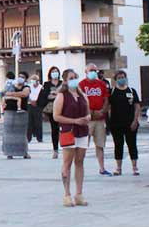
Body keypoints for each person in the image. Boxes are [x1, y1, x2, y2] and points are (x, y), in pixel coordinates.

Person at [53, 68, 90, 207]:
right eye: (71, 78)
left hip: (82, 131)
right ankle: (67, 194)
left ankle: (79, 193)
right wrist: (74, 121)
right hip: (69, 131)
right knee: (67, 162)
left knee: (80, 161)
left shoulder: (82, 96)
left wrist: (87, 118)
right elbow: (56, 116)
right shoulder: (62, 96)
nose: (74, 79)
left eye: (75, 77)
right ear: (65, 80)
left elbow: (88, 112)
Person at [78, 63, 112, 176]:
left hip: (100, 119)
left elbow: (106, 99)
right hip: (87, 119)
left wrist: (102, 111)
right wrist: (91, 113)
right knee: (83, 144)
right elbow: (80, 101)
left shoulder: (101, 84)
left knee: (100, 144)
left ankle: (102, 168)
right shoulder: (81, 85)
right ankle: (79, 168)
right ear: (86, 71)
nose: (93, 72)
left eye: (94, 70)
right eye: (91, 70)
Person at [107, 70, 141, 176]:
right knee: (118, 145)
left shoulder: (132, 91)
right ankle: (118, 168)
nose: (122, 79)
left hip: (130, 123)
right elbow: (108, 107)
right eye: (119, 78)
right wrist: (108, 122)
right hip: (116, 124)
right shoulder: (112, 92)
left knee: (132, 144)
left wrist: (135, 120)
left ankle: (135, 167)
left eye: (123, 77)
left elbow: (137, 106)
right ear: (116, 80)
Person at [38, 67, 62, 158]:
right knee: (54, 129)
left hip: (62, 107)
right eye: (53, 72)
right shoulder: (47, 84)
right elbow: (45, 96)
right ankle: (55, 150)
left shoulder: (62, 83)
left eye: (56, 71)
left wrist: (54, 94)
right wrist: (53, 95)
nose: (55, 73)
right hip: (51, 109)